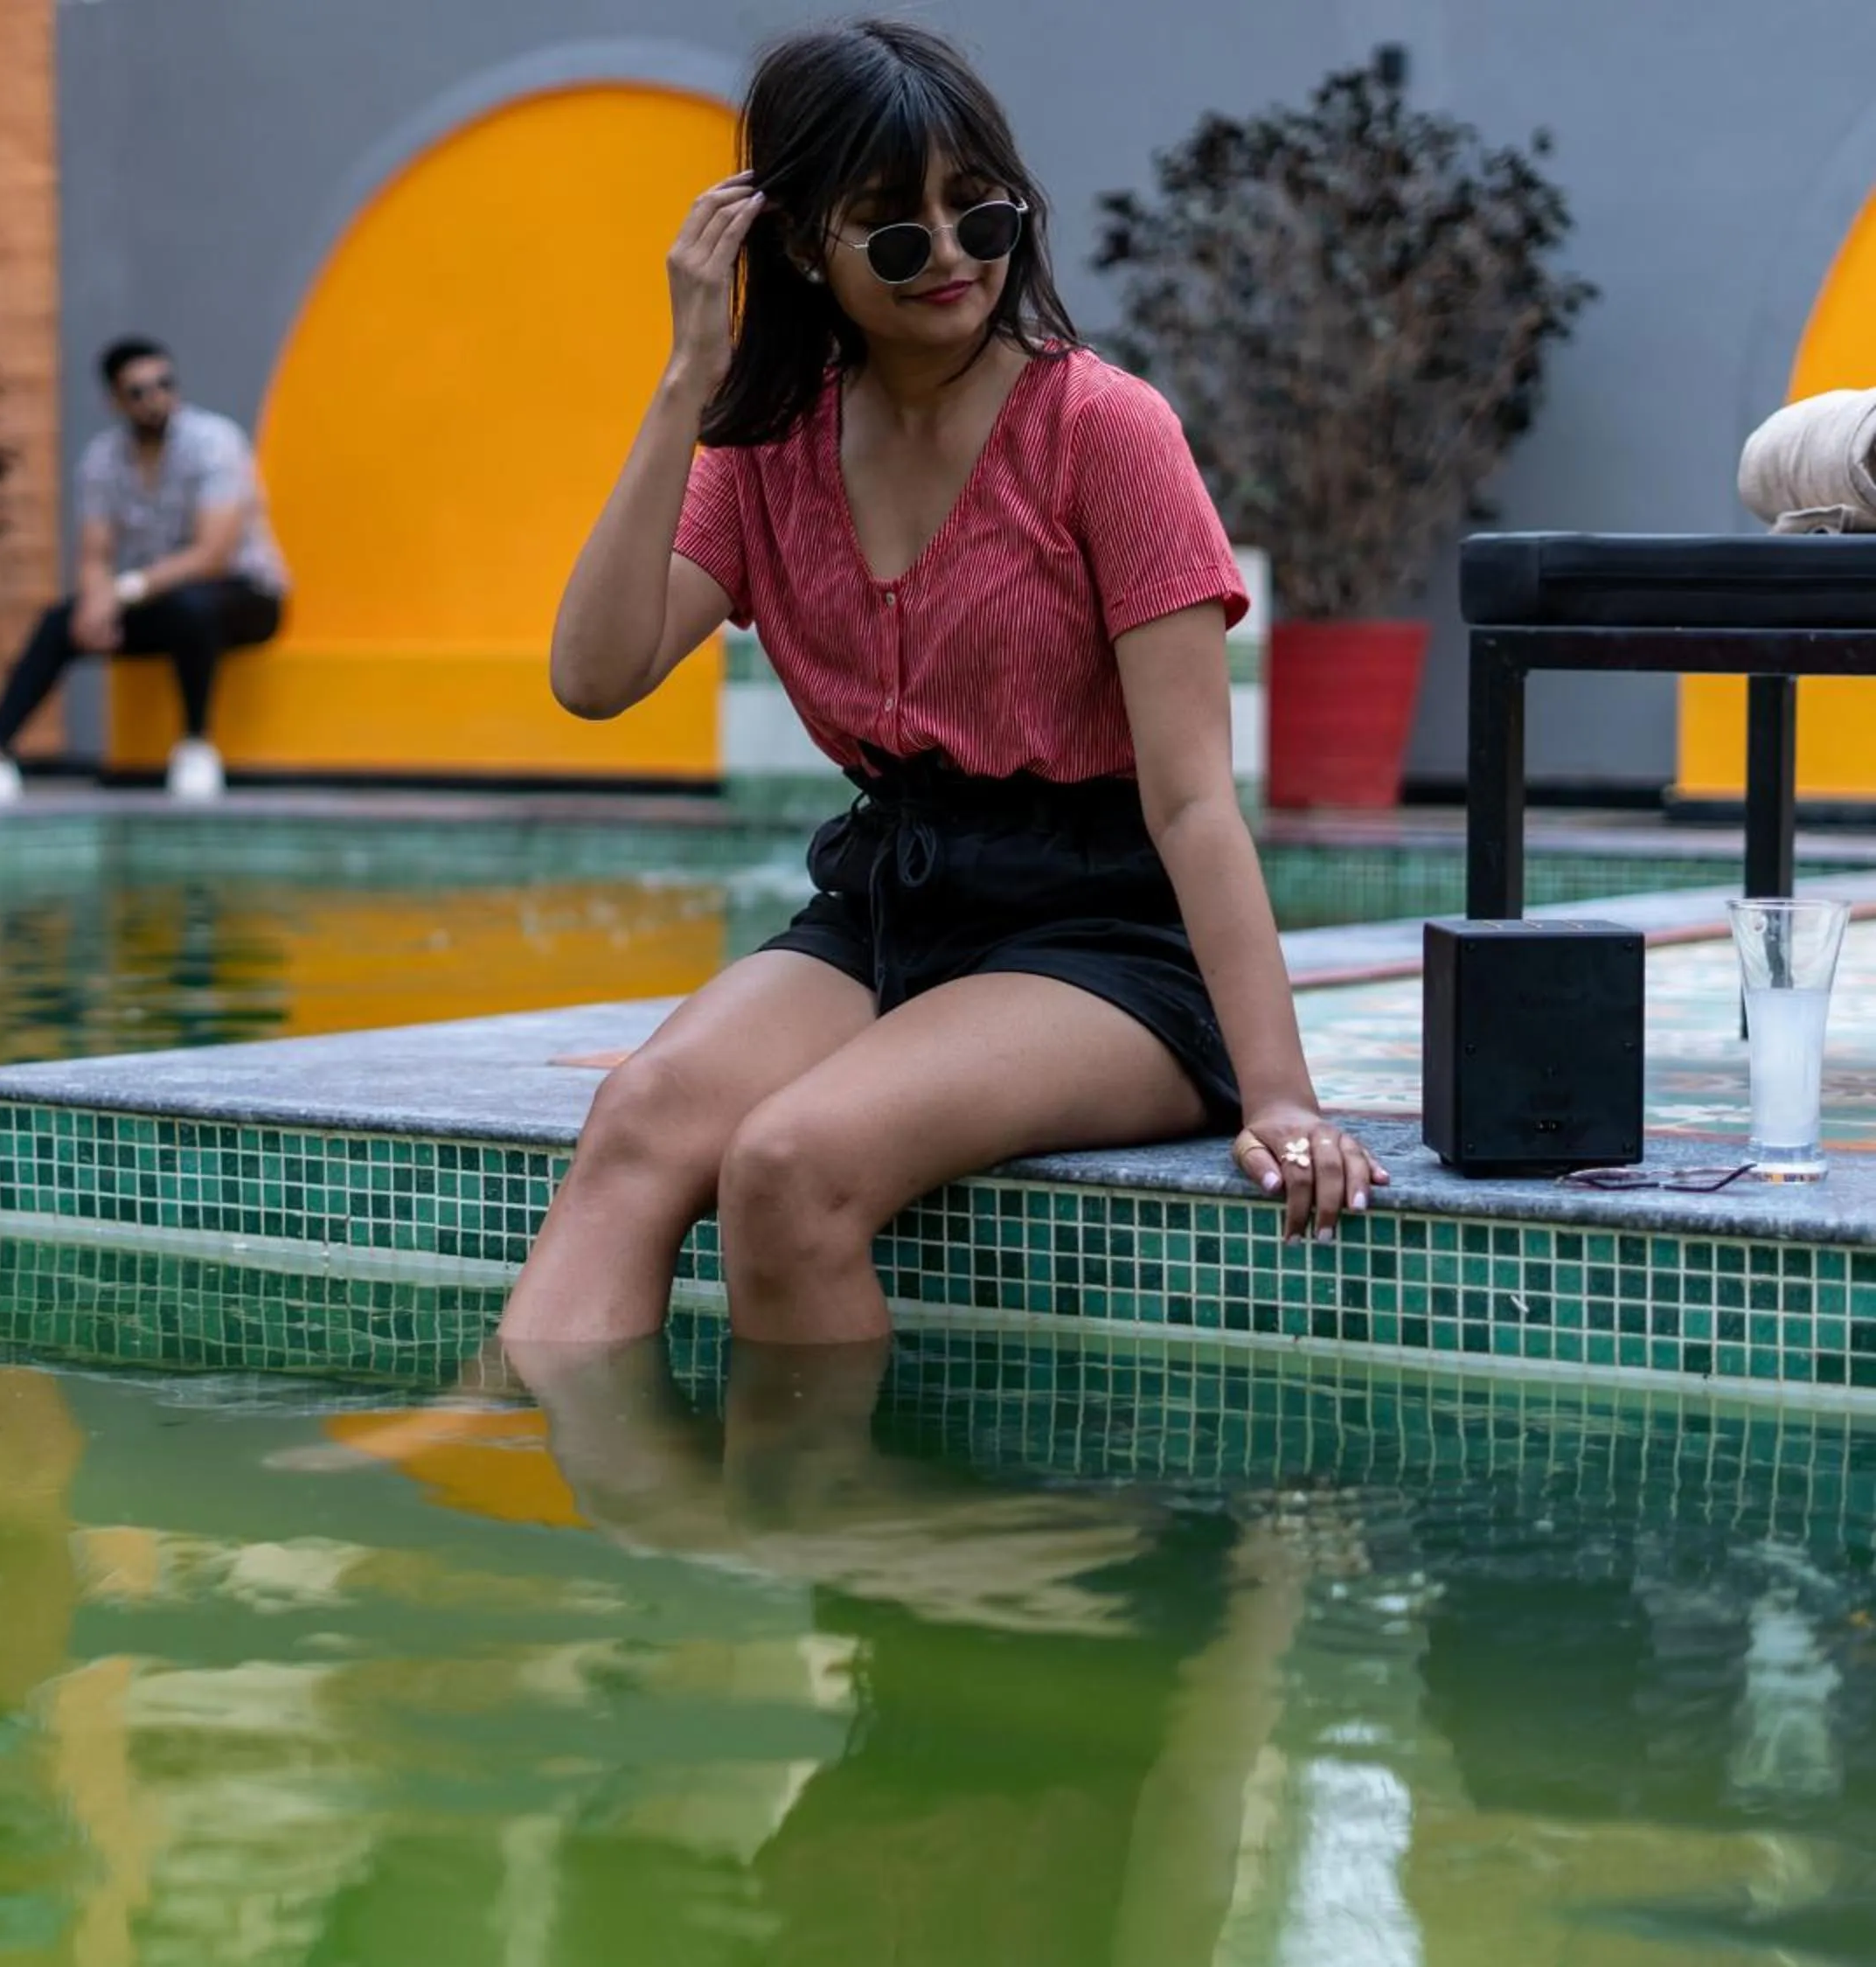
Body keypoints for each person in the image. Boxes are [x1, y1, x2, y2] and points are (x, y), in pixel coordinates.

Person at [498, 19, 1388, 1350]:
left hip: (1109, 944)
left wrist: (1280, 1097)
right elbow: (595, 673)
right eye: (897, 235)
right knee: (641, 1119)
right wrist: (690, 375)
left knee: (789, 1164)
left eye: (981, 215)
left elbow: (1196, 801)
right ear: (803, 249)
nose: (956, 260)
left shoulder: (1100, 429)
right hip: (893, 903)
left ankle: (845, 1536)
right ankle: (506, 1450)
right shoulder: (766, 455)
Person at [0, 337, 288, 805]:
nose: (155, 399)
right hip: (157, 600)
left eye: (164, 385)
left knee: (192, 607)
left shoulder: (214, 443)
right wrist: (95, 603)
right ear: (116, 399)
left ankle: (196, 745)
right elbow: (95, 551)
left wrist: (124, 591)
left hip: (246, 596)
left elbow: (211, 555)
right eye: (139, 391)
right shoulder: (103, 459)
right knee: (59, 622)